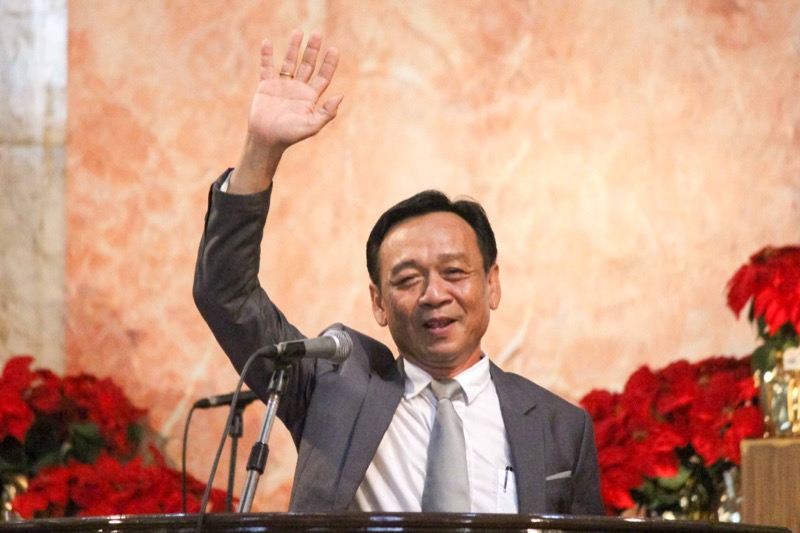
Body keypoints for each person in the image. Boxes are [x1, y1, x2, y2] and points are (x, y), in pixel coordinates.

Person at [193, 29, 604, 515]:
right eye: (408, 279)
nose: (434, 294)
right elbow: (226, 293)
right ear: (379, 303)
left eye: (454, 272)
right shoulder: (334, 392)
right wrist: (261, 150)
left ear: (492, 284)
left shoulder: (560, 427)